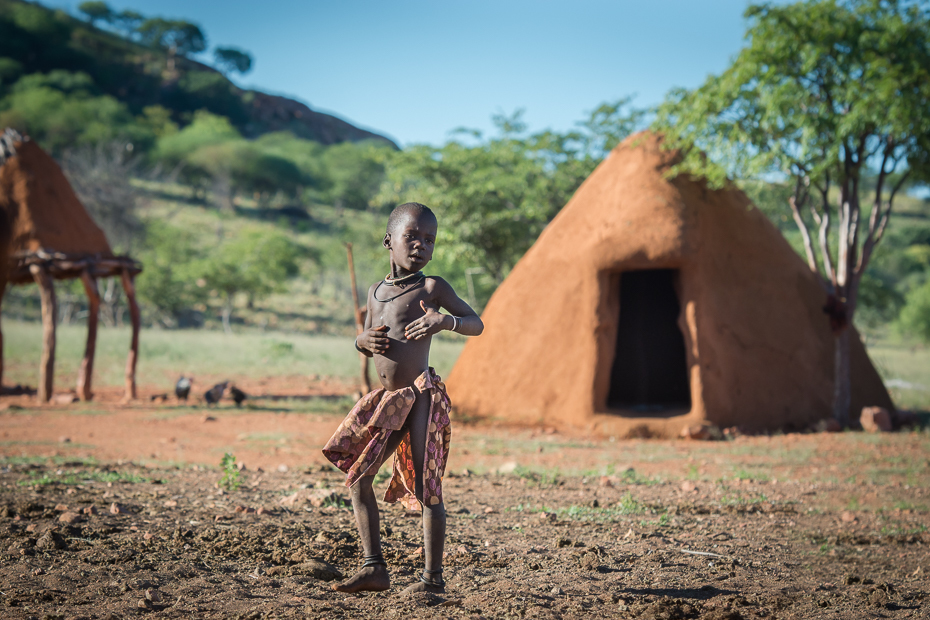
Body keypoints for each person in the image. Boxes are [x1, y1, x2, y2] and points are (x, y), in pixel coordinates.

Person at [322, 202, 484, 595]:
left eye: (429, 239)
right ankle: (374, 567)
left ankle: (432, 580)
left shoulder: (432, 288)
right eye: (412, 236)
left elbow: (476, 323)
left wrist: (445, 320)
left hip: (420, 396)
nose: (421, 246)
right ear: (388, 241)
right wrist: (361, 341)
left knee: (427, 486)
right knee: (359, 479)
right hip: (387, 398)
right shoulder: (376, 292)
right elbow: (366, 338)